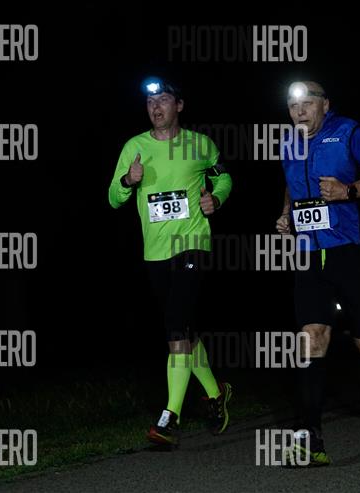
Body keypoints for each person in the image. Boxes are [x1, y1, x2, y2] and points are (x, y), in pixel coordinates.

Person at [275, 81, 360, 466]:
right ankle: (311, 438)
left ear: (325, 105)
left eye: (307, 104)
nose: (299, 112)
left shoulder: (348, 131)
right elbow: (291, 183)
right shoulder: (288, 142)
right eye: (293, 106)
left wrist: (347, 191)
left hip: (349, 251)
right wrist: (286, 214)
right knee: (311, 338)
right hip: (308, 254)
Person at [108, 78, 233, 446]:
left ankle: (169, 418)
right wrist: (128, 180)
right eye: (150, 102)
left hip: (192, 243)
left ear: (179, 105)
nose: (155, 107)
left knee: (176, 326)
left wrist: (216, 198)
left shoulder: (200, 144)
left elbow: (223, 176)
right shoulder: (134, 147)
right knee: (185, 329)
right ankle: (216, 393)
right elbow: (113, 198)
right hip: (155, 252)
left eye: (163, 99)